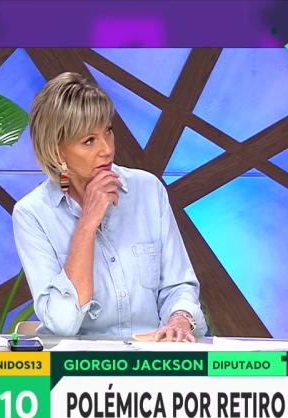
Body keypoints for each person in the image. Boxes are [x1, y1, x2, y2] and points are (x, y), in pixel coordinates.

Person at [12, 72, 206, 341]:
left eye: (108, 131)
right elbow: (61, 323)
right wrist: (87, 224)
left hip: (149, 358)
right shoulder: (32, 213)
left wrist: (180, 319)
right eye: (89, 141)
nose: (106, 149)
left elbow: (179, 285)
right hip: (77, 364)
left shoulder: (148, 190)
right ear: (57, 152)